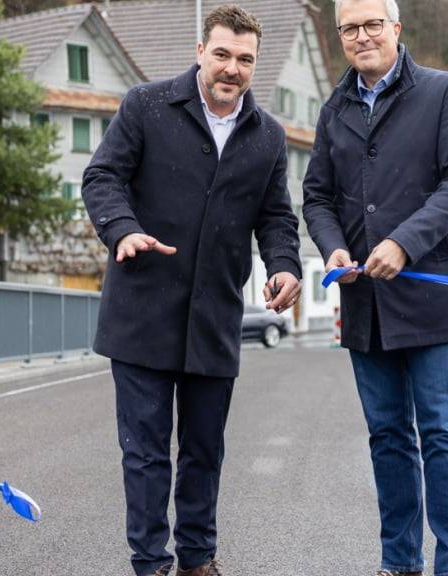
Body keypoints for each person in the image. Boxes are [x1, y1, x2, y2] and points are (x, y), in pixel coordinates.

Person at [81, 5, 302, 576]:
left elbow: (277, 217)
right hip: (141, 315)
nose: (232, 68)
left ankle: (197, 559)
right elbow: (102, 176)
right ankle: (151, 562)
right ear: (200, 51)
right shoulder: (145, 106)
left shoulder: (268, 137)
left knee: (205, 452)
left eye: (245, 59)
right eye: (223, 54)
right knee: (147, 454)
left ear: (256, 64)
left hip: (214, 319)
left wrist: (283, 265)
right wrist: (122, 230)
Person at [302, 0, 448, 575]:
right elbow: (317, 198)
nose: (361, 36)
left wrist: (404, 243)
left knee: (444, 436)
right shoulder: (334, 110)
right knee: (387, 438)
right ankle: (398, 564)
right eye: (349, 28)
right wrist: (333, 246)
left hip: (434, 300)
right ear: (340, 37)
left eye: (372, 24)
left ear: (396, 29)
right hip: (366, 305)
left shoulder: (445, 91)